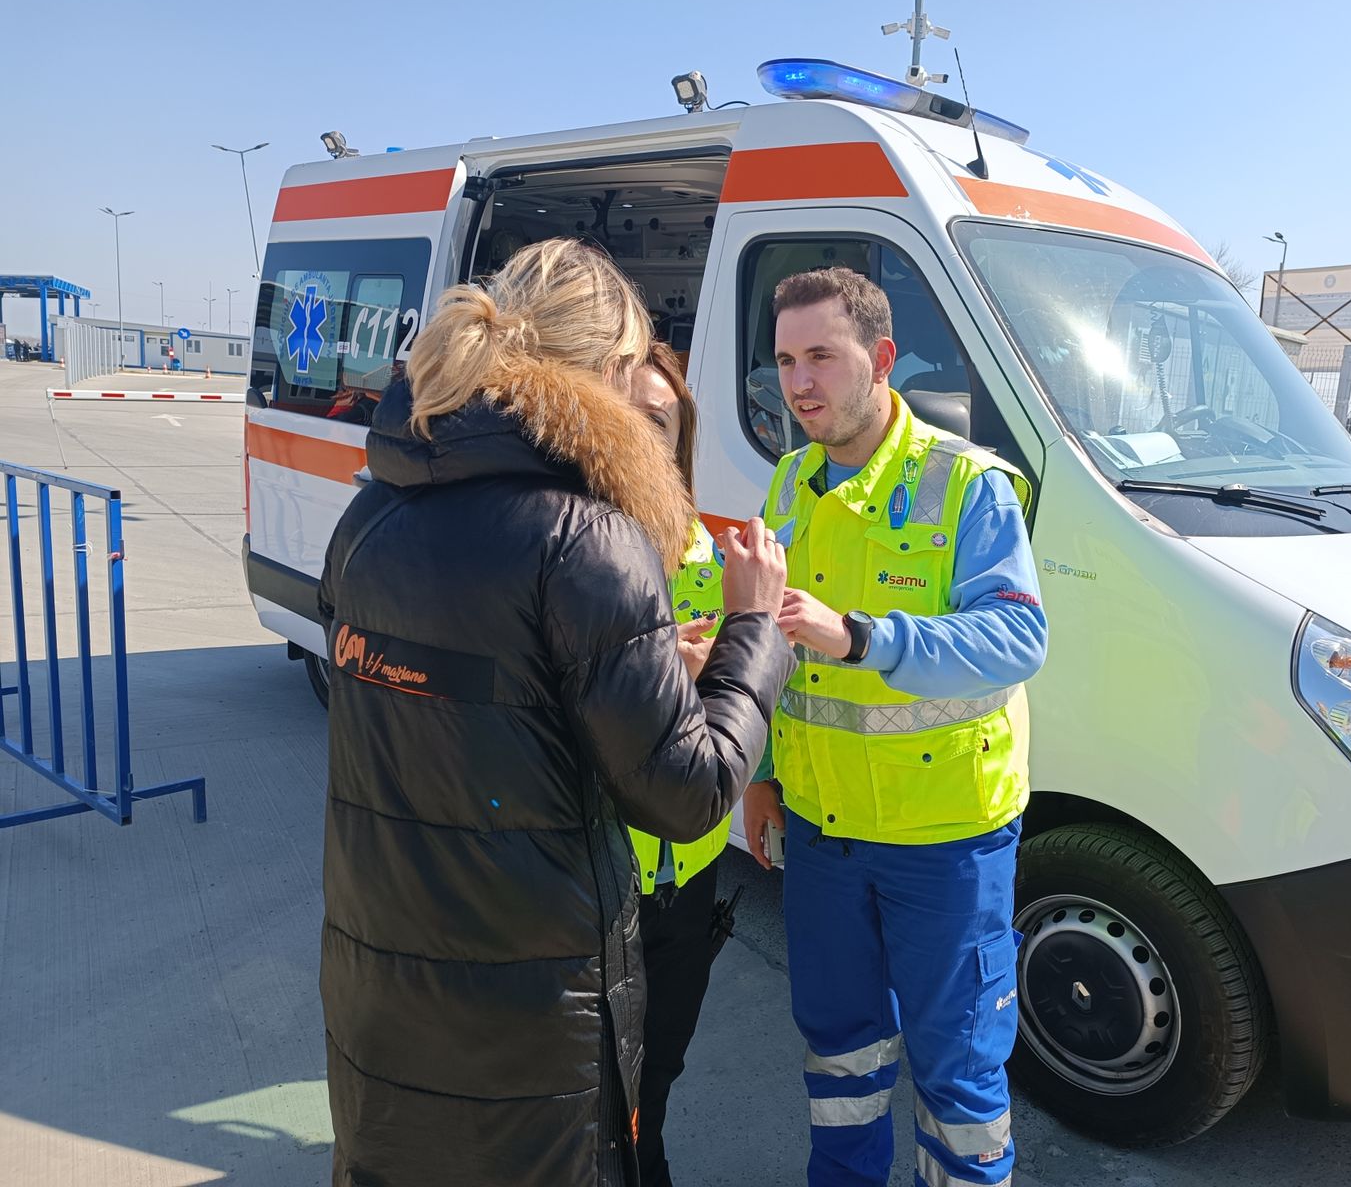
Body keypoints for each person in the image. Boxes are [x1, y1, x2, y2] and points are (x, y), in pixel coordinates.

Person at [317, 238, 794, 1187]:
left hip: (380, 971)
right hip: (531, 1003)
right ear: (613, 374)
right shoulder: (589, 538)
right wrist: (753, 639)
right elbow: (687, 794)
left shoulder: (370, 516)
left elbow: (469, 713)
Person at [741, 268, 1047, 1187]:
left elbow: (1017, 635)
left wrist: (862, 637)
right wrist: (758, 771)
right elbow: (769, 643)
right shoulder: (790, 482)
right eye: (787, 360)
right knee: (841, 1058)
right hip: (825, 836)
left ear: (879, 361)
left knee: (957, 1072)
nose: (800, 384)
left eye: (822, 357)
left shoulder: (968, 485)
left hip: (944, 839)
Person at [622, 342, 735, 1187]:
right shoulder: (571, 546)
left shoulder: (707, 555)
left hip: (687, 878)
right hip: (596, 879)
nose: (640, 430)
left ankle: (648, 1159)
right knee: (594, 1084)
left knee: (660, 1071)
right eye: (624, 411)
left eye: (658, 418)